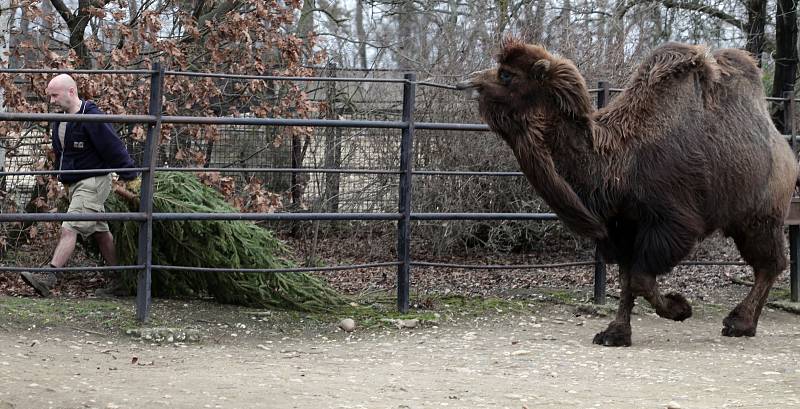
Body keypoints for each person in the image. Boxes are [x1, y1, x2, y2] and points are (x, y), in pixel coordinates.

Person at [19, 74, 139, 297]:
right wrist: (61, 176)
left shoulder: (92, 118)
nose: (52, 101)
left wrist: (130, 175)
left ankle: (48, 276)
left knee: (70, 227)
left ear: (71, 92)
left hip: (92, 182)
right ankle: (122, 279)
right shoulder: (61, 119)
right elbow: (62, 151)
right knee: (101, 232)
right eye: (50, 96)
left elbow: (113, 147)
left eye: (55, 95)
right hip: (75, 183)